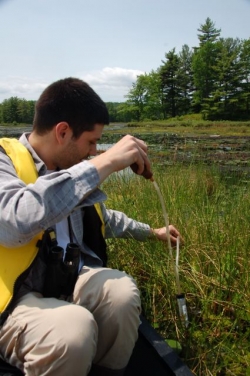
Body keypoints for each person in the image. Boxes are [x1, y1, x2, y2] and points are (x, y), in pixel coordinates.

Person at [0, 77, 180, 376]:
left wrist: (153, 232)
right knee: (72, 332)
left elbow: (105, 219)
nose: (94, 151)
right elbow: (12, 222)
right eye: (92, 142)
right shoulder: (4, 159)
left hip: (71, 280)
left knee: (121, 294)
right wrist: (105, 163)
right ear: (63, 131)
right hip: (16, 297)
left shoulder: (72, 172)